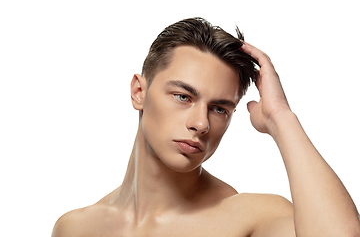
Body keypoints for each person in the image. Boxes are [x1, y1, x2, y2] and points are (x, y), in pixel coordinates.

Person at [52, 17, 360, 236]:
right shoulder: (75, 228)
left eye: (219, 109)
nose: (200, 124)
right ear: (139, 92)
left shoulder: (248, 219)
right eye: (183, 96)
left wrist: (281, 119)